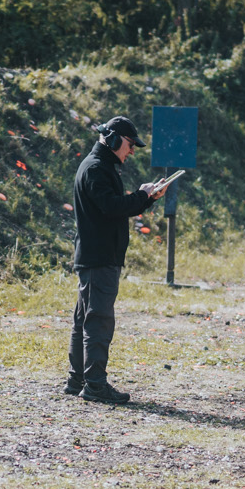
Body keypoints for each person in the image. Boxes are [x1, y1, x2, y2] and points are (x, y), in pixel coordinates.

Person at [66, 115, 170, 404]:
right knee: (98, 322)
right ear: (111, 139)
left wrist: (144, 197)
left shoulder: (98, 166)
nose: (132, 150)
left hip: (94, 255)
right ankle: (95, 384)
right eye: (129, 143)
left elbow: (110, 206)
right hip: (99, 257)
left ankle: (78, 379)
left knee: (85, 320)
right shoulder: (97, 169)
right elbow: (112, 207)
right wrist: (142, 197)